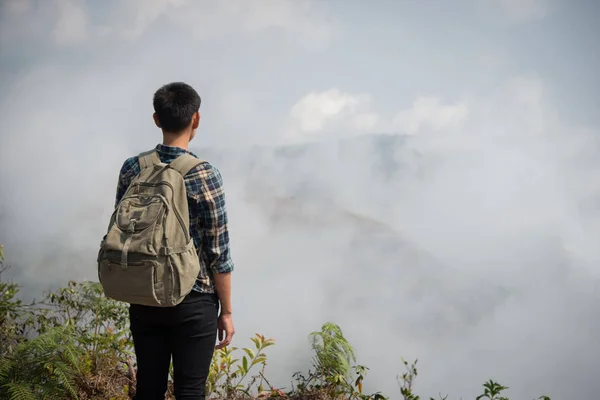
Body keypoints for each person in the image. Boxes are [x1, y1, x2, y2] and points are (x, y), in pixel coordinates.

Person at [114, 82, 235, 399]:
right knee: (190, 390)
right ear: (196, 119)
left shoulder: (133, 168)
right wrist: (227, 312)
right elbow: (218, 252)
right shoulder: (204, 174)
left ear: (156, 119)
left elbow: (122, 225)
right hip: (192, 298)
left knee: (149, 388)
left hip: (143, 293)